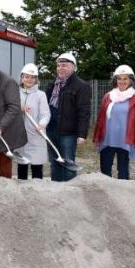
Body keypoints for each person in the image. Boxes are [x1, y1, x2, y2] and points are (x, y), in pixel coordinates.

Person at [93, 65, 135, 180]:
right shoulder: (108, 96)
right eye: (119, 78)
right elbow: (101, 119)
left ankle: (123, 197)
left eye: (125, 78)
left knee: (123, 173)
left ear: (131, 80)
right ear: (115, 80)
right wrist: (97, 137)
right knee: (105, 171)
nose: (122, 81)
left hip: (125, 141)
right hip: (107, 140)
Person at [45, 52, 91, 182]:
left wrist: (82, 134)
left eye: (64, 65)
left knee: (68, 162)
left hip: (68, 132)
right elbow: (46, 105)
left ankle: (70, 190)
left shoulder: (81, 86)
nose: (60, 68)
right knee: (54, 161)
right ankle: (57, 188)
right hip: (51, 129)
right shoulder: (53, 84)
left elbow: (84, 111)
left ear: (73, 67)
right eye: (58, 66)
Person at [15, 63, 50, 180]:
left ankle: (38, 193)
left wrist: (42, 124)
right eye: (26, 76)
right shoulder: (15, 94)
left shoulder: (41, 95)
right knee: (22, 167)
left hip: (36, 135)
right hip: (20, 136)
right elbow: (10, 111)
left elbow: (45, 114)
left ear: (36, 79)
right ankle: (22, 192)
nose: (29, 79)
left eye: (32, 77)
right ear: (22, 78)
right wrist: (20, 109)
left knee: (36, 167)